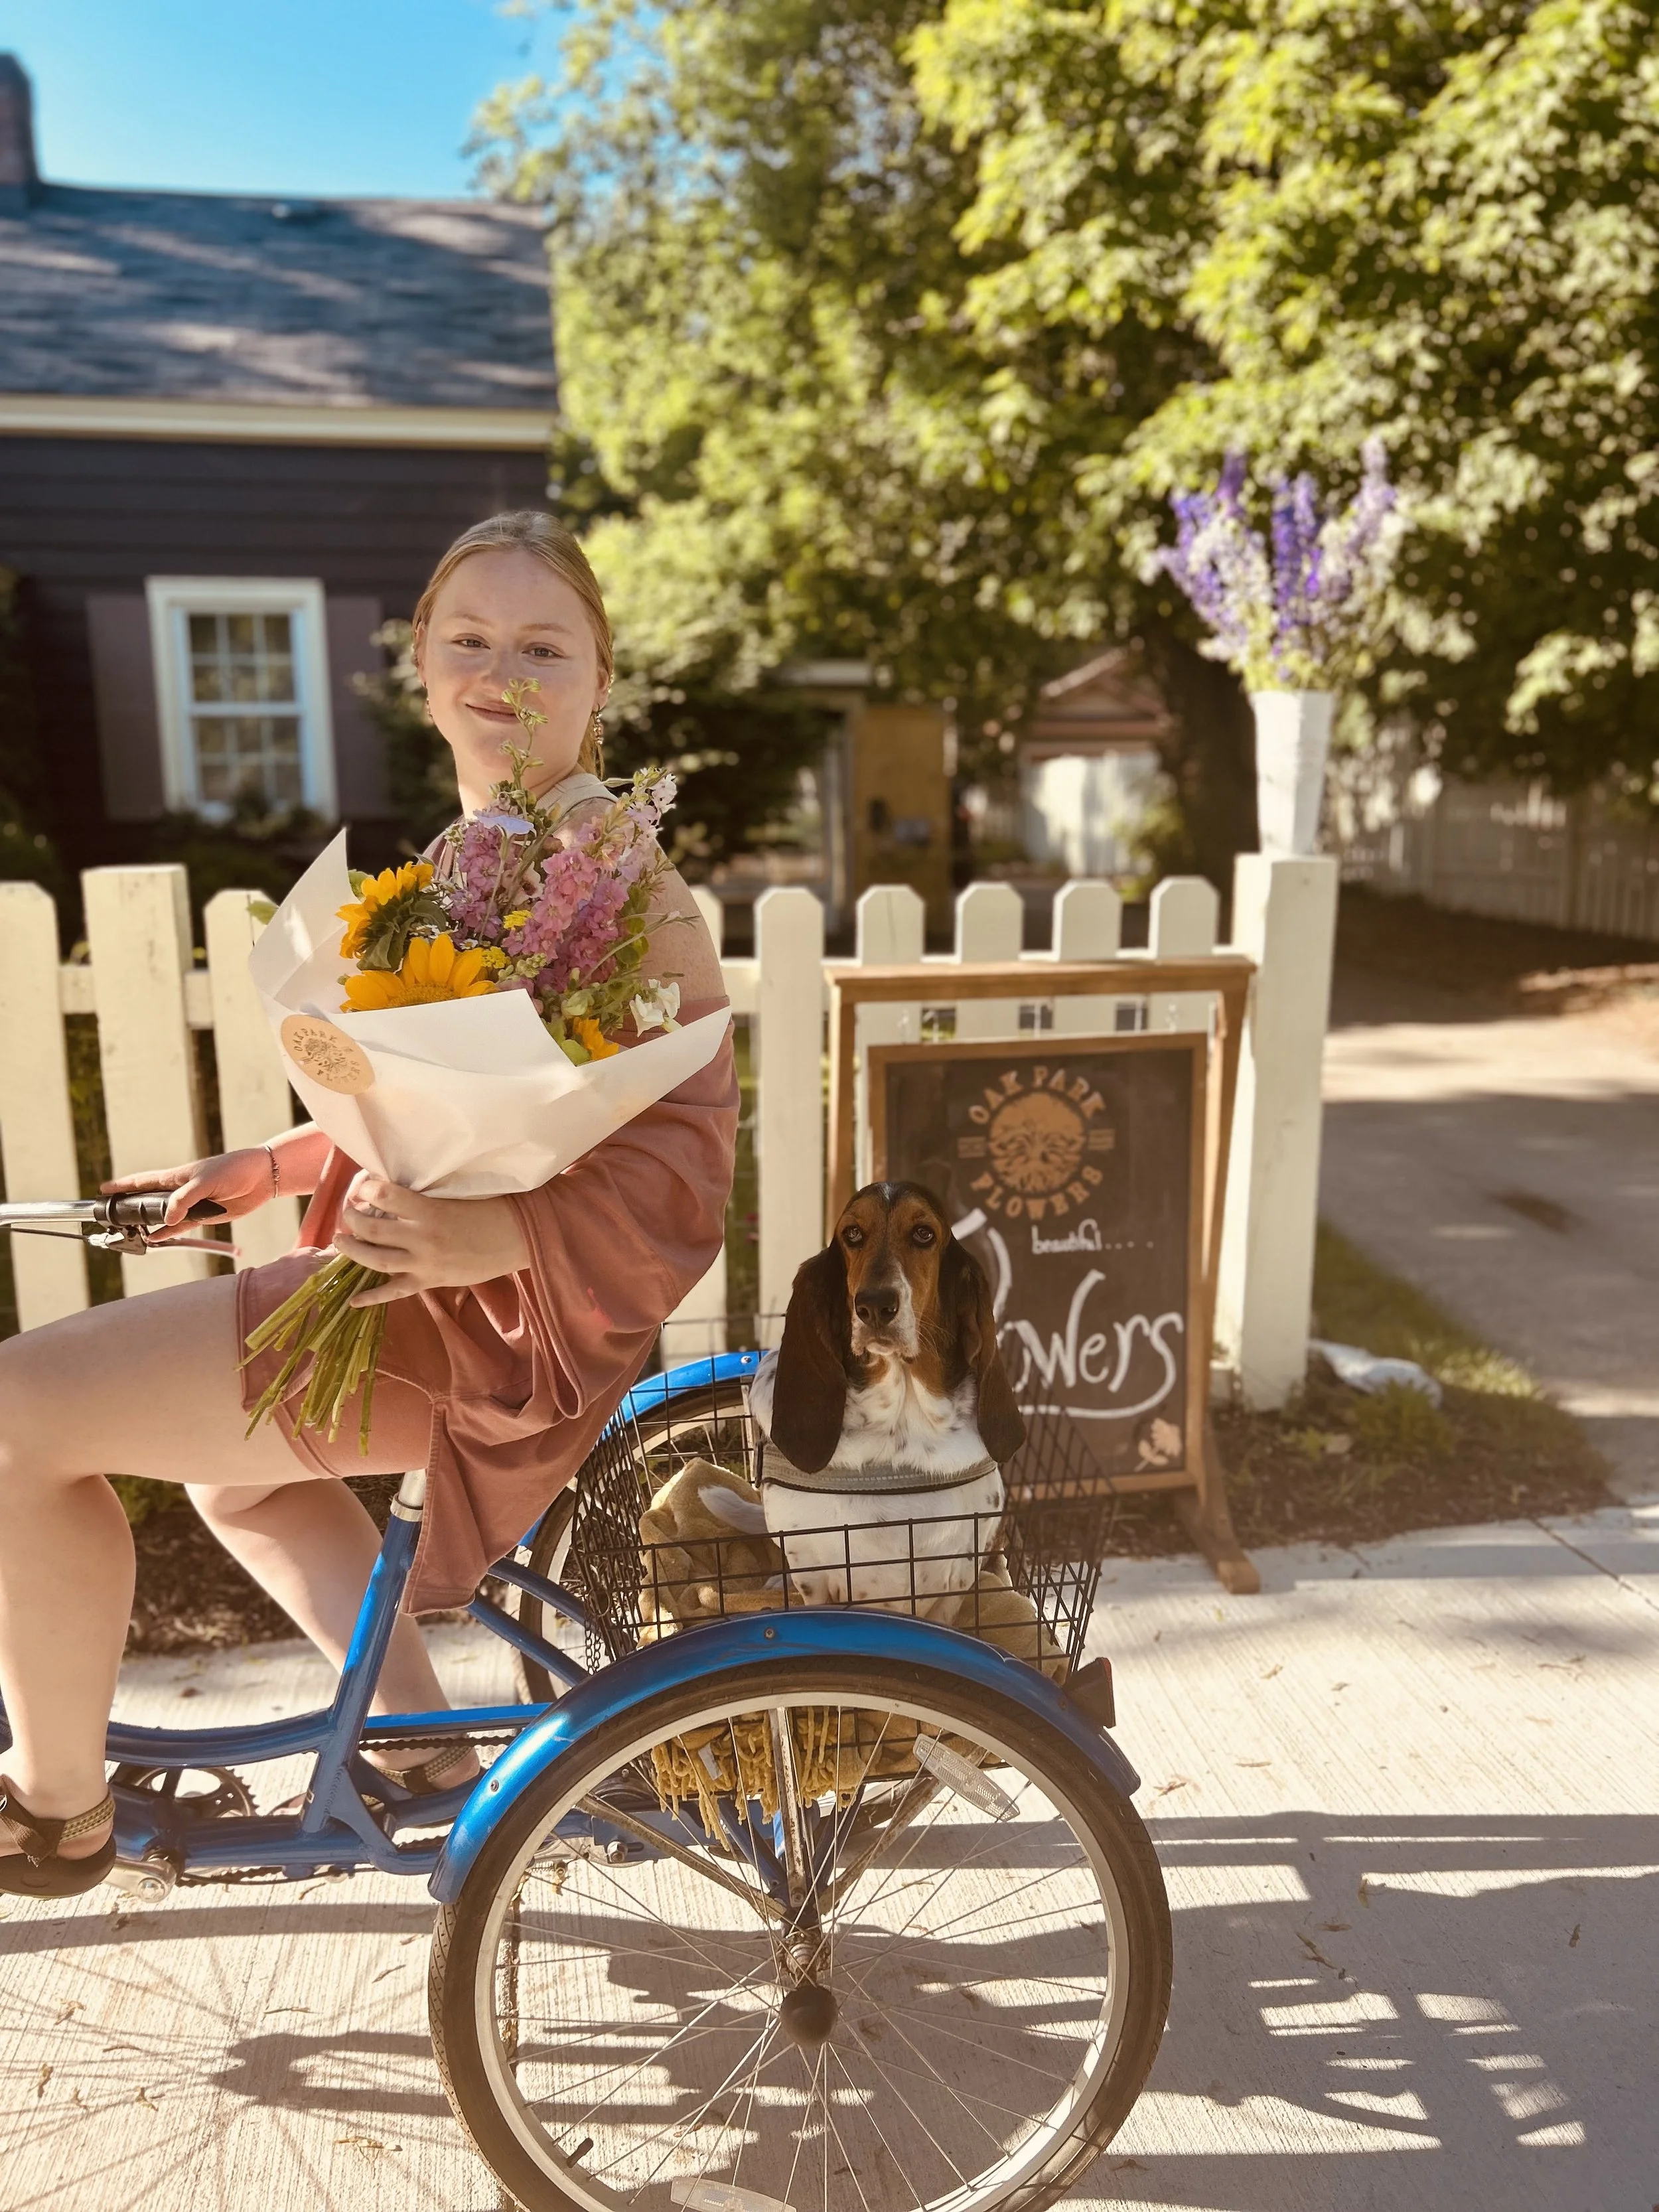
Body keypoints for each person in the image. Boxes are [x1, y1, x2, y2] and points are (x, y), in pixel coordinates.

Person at [0, 512, 737, 1896]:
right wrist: (266, 1169)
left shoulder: (618, 876)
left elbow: (686, 1152)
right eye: (469, 640)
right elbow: (426, 1092)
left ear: (599, 676)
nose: (500, 673)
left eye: (541, 646)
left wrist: (501, 1235)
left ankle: (52, 1811)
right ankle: (415, 1742)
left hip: (482, 1320)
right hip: (415, 1283)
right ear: (420, 663)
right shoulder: (486, 851)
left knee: (16, 1410)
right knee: (239, 1479)